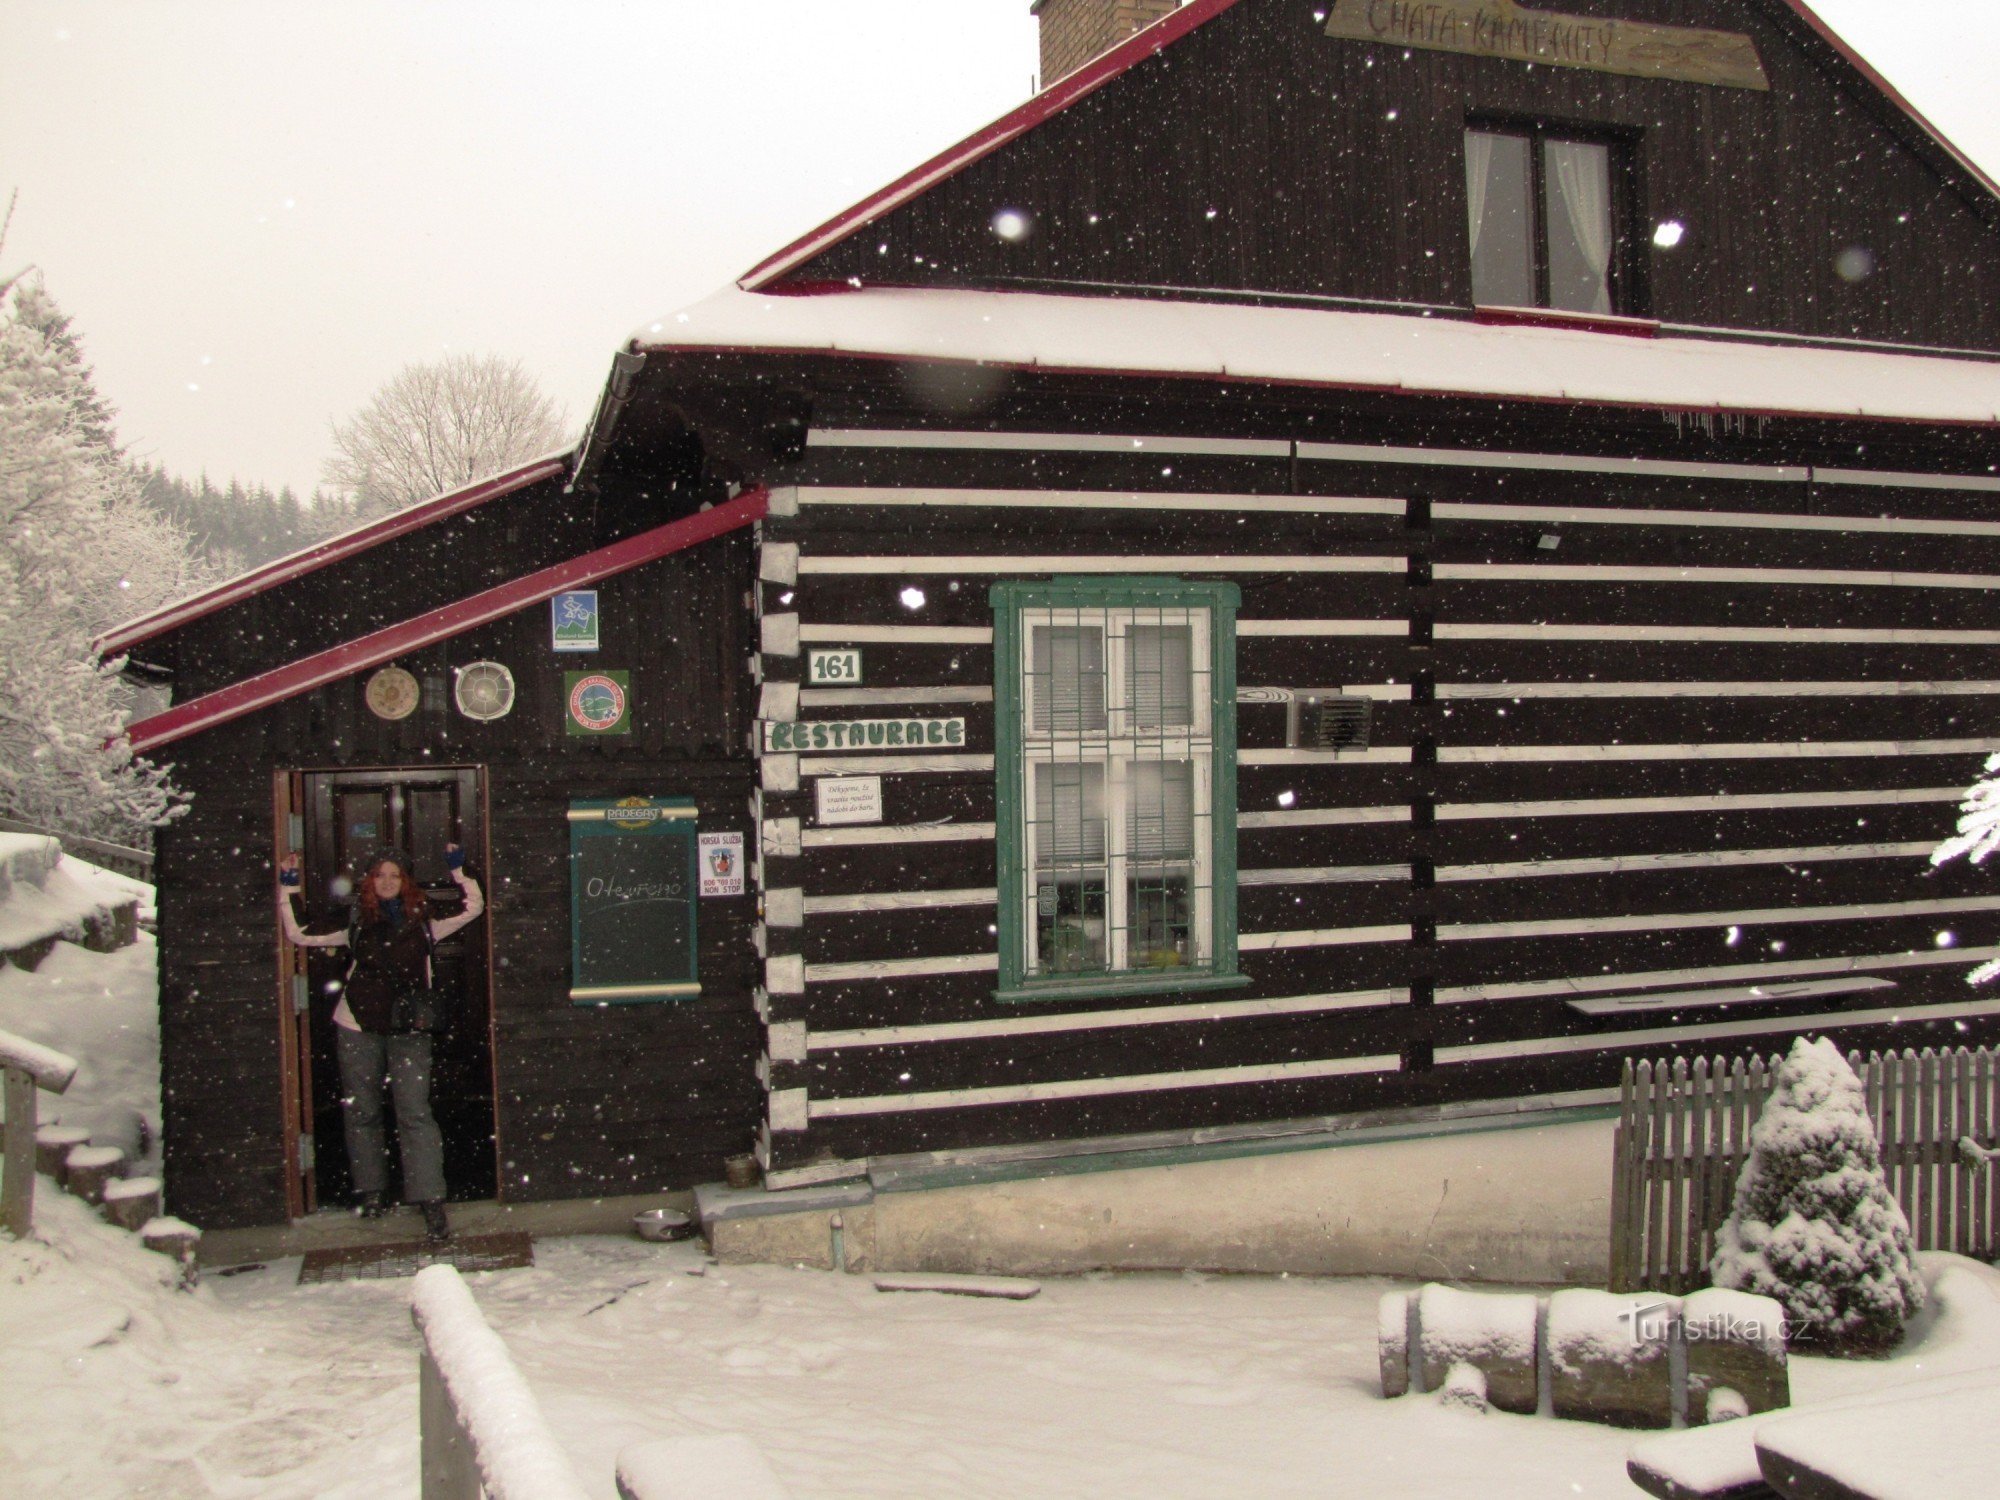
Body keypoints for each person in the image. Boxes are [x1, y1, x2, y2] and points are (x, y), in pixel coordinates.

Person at [277, 844, 484, 1242]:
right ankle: (371, 1190)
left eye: (395, 875)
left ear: (406, 882)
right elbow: (299, 933)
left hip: (410, 1030)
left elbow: (473, 906)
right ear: (369, 881)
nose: (386, 881)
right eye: (379, 875)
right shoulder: (354, 919)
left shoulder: (427, 920)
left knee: (415, 1113)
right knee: (362, 1112)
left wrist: (459, 869)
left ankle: (430, 1199)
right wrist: (289, 885)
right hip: (356, 1024)